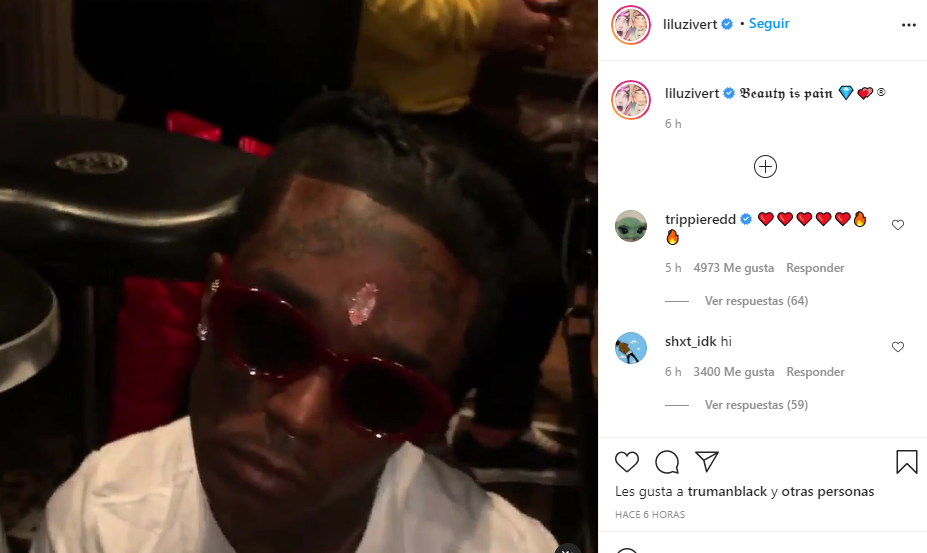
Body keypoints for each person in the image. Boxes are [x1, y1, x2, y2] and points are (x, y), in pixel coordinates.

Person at [74, 0, 580, 485]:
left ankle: (423, 442)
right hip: (243, 116)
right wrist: (485, 19)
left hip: (323, 107)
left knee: (550, 219)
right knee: (166, 341)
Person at [31, 93, 559, 553]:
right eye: (271, 334)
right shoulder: (101, 522)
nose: (300, 415)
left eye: (382, 392)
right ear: (210, 298)